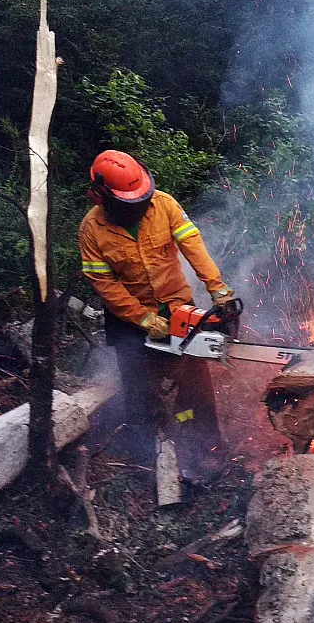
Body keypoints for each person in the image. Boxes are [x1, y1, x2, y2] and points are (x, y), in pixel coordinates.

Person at [78, 150, 235, 481]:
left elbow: (193, 246)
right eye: (128, 201)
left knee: (196, 383)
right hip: (128, 320)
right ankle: (146, 457)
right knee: (139, 387)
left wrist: (217, 288)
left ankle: (206, 446)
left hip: (177, 304)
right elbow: (105, 285)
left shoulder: (163, 204)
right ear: (101, 195)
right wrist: (143, 319)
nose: (137, 205)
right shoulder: (92, 229)